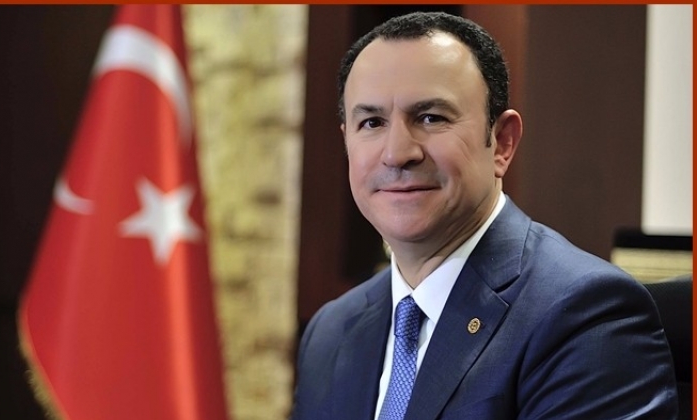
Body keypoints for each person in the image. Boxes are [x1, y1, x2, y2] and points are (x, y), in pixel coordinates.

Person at [291, 11, 678, 420]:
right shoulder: (330, 333)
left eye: (431, 118)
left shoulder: (586, 316)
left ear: (502, 143)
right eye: (372, 122)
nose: (397, 153)